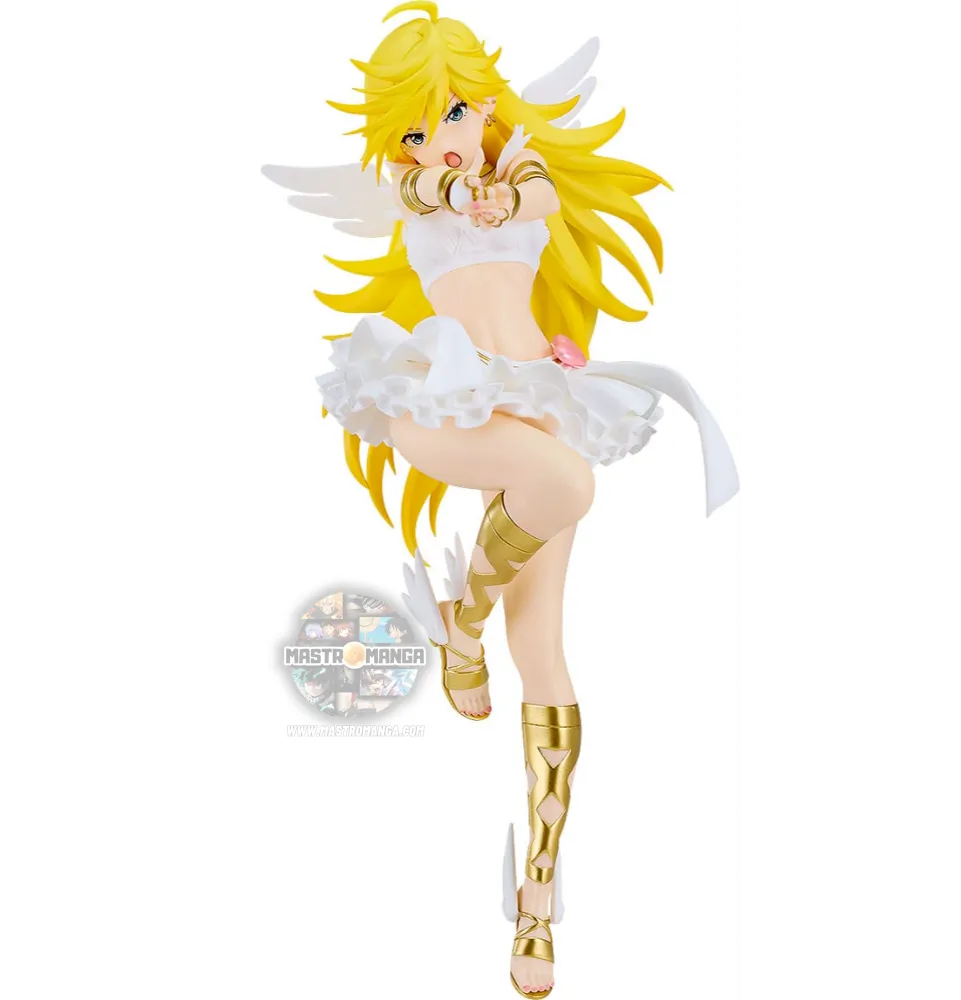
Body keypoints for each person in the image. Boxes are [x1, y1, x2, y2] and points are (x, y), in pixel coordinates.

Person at [259, 5, 742, 996]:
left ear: (485, 105)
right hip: (441, 398)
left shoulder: (523, 171)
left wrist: (505, 195)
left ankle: (537, 899)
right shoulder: (415, 183)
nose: (437, 138)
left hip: (540, 400)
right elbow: (429, 186)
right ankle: (461, 621)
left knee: (547, 653)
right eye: (415, 126)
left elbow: (531, 196)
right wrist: (458, 184)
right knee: (568, 485)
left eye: (454, 113)